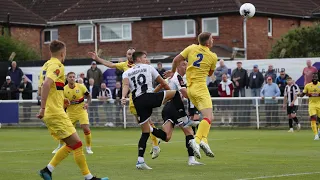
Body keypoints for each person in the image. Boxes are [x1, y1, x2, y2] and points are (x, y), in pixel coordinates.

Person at [36, 40, 108, 180]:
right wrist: (43, 107)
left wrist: (60, 99)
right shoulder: (58, 65)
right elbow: (46, 85)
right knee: (77, 143)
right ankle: (88, 178)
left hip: (55, 110)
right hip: (55, 112)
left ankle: (48, 170)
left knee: (73, 144)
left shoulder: (45, 66)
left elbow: (42, 90)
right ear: (63, 53)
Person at [121, 51, 190, 169]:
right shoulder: (148, 67)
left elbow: (126, 86)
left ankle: (140, 161)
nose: (146, 59)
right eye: (144, 57)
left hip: (138, 102)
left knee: (145, 132)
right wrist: (170, 96)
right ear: (138, 59)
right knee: (175, 94)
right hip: (149, 97)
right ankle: (184, 118)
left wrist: (123, 97)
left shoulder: (126, 72)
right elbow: (162, 83)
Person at [88, 47, 161, 158]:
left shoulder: (142, 65)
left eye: (132, 54)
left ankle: (155, 143)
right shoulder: (124, 65)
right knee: (142, 122)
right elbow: (110, 65)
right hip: (133, 97)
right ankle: (155, 137)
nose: (130, 55)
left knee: (145, 121)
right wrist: (98, 58)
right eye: (128, 54)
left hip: (143, 96)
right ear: (126, 56)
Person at [166, 32, 217, 159]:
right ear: (208, 43)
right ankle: (197, 140)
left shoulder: (191, 48)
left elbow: (176, 60)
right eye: (212, 38)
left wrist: (172, 72)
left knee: (209, 116)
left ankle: (204, 140)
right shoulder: (212, 56)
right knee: (208, 117)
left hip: (190, 89)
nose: (213, 40)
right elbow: (210, 73)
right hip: (201, 88)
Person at [154, 60, 203, 165]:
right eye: (183, 64)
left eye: (186, 64)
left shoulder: (173, 77)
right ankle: (191, 159)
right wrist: (198, 97)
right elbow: (185, 93)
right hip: (175, 108)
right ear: (177, 67)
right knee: (190, 132)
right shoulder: (178, 77)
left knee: (167, 137)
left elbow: (161, 85)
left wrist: (152, 95)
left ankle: (151, 132)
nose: (186, 66)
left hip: (167, 109)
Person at [52, 72, 94, 154]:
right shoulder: (64, 89)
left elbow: (89, 96)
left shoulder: (81, 86)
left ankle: (88, 148)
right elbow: (61, 102)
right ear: (67, 78)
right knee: (64, 130)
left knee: (85, 128)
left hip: (81, 111)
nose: (72, 78)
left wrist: (87, 103)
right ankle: (60, 146)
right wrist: (64, 104)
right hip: (70, 113)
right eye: (70, 77)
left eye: (73, 77)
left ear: (75, 78)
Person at [300, 73, 320, 140]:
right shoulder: (308, 85)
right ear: (312, 78)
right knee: (313, 118)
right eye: (314, 77)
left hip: (319, 104)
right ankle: (316, 135)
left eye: (316, 77)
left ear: (317, 78)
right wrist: (299, 94)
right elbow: (302, 94)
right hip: (312, 105)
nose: (315, 78)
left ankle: (319, 131)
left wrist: (314, 94)